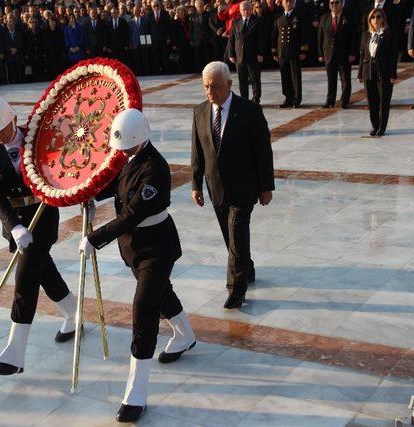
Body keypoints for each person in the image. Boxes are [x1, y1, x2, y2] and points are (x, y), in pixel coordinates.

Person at [79, 109, 197, 423]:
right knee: (160, 294)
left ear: (139, 139)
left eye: (126, 149)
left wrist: (95, 237)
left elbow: (133, 214)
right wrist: (89, 194)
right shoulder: (132, 156)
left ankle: (136, 395)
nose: (123, 154)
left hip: (157, 247)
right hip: (134, 248)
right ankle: (185, 334)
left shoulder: (155, 170)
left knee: (143, 309)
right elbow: (116, 185)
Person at [0, 97, 77, 376]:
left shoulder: (36, 139)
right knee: (43, 271)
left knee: (25, 280)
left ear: (13, 119)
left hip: (43, 216)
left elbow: (64, 166)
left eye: (2, 129)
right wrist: (13, 227)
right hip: (18, 224)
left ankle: (14, 354)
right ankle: (73, 312)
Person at [190, 61, 275, 309]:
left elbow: (263, 153)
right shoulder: (200, 112)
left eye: (215, 86)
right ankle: (246, 268)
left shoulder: (250, 111)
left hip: (243, 187)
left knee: (237, 235)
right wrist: (196, 185)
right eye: (206, 86)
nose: (210, 91)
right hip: (216, 187)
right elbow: (198, 152)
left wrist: (265, 187)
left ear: (229, 84)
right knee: (230, 238)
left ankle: (236, 289)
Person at [358, 8, 398, 136]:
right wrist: (360, 74)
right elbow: (362, 55)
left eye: (378, 17)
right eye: (373, 17)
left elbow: (393, 56)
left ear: (383, 19)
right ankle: (375, 126)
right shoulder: (366, 35)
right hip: (368, 71)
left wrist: (393, 74)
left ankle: (382, 127)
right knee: (372, 100)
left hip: (384, 71)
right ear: (370, 20)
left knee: (383, 100)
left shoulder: (388, 34)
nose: (376, 20)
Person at [318, 0, 358, 108]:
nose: (334, 5)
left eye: (337, 2)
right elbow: (320, 38)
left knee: (345, 78)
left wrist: (353, 53)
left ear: (342, 3)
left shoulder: (349, 17)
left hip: (344, 54)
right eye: (332, 3)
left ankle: (344, 101)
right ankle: (330, 100)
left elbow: (354, 36)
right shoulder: (324, 18)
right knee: (331, 79)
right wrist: (321, 54)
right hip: (329, 54)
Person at [272, 0, 309, 108]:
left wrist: (303, 50)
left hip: (294, 50)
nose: (288, 3)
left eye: (290, 1)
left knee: (295, 76)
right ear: (282, 3)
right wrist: (274, 50)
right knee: (285, 76)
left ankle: (296, 99)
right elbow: (275, 34)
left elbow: (304, 33)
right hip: (282, 51)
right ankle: (288, 98)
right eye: (286, 1)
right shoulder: (278, 16)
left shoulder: (299, 15)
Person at [228, 1, 265, 103]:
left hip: (253, 55)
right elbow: (231, 39)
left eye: (247, 9)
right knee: (242, 81)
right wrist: (231, 54)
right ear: (240, 10)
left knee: (255, 80)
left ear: (251, 9)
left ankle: (256, 99)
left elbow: (261, 39)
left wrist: (260, 53)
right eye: (243, 9)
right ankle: (244, 100)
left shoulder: (257, 21)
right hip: (240, 57)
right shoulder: (236, 22)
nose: (245, 11)